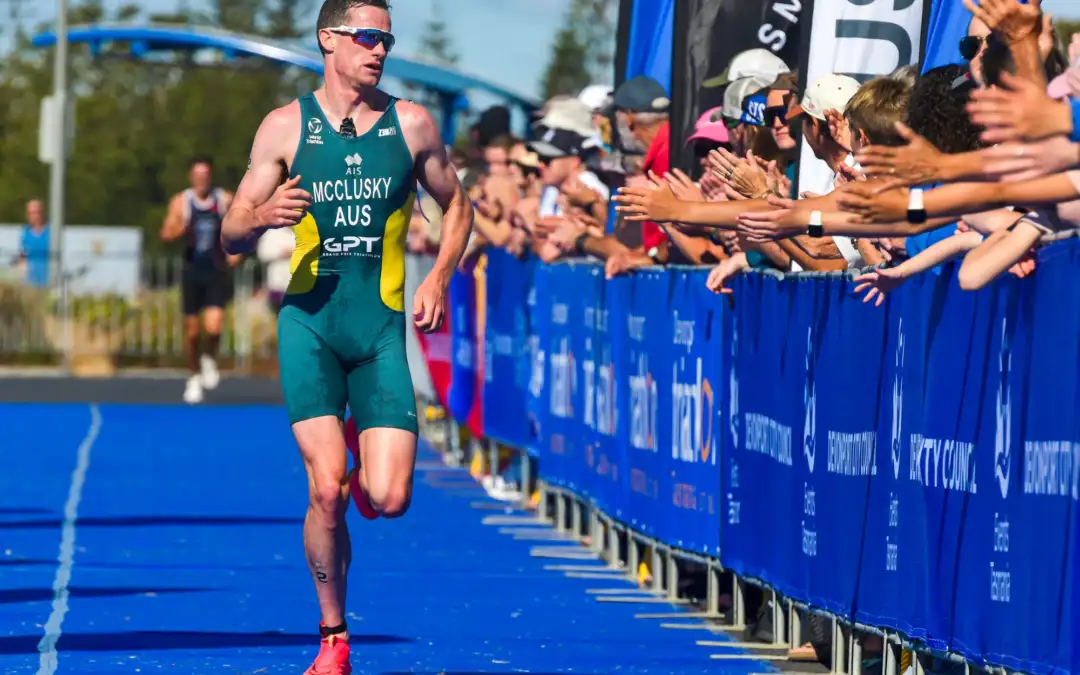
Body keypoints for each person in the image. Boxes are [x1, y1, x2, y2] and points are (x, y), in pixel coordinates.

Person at [219, 1, 472, 672]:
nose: (379, 49)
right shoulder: (284, 127)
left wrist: (439, 277)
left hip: (381, 327)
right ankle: (334, 636)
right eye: (367, 36)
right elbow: (230, 236)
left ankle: (364, 445)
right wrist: (263, 215)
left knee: (388, 499)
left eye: (386, 38)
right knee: (325, 487)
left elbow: (460, 204)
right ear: (327, 39)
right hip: (310, 323)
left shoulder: (412, 125)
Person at [161, 156, 240, 404]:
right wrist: (179, 228)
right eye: (198, 175)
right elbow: (165, 234)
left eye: (206, 175)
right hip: (192, 270)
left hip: (216, 269)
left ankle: (209, 359)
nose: (202, 180)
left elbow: (242, 225)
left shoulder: (224, 199)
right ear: (191, 177)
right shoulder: (181, 202)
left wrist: (237, 252)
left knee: (215, 326)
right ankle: (193, 375)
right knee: (193, 332)